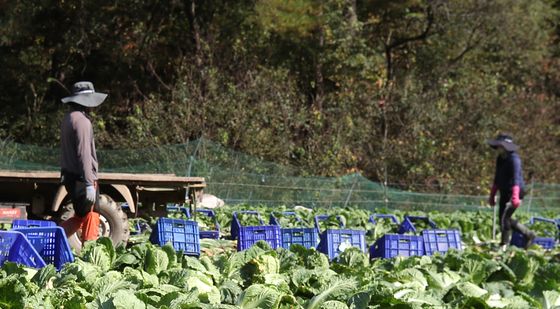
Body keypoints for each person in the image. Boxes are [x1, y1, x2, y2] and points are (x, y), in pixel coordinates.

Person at [59, 81, 107, 242]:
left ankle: (53, 240)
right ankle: (89, 256)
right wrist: (89, 184)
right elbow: (84, 154)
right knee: (92, 215)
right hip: (82, 178)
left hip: (70, 176)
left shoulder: (68, 119)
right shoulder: (82, 122)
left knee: (81, 215)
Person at [487, 133, 536, 249]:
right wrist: (492, 193)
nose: (497, 148)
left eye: (499, 146)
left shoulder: (514, 160)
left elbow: (516, 179)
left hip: (515, 191)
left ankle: (504, 244)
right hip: (504, 191)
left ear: (505, 147)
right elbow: (497, 177)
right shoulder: (500, 159)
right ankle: (528, 234)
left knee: (505, 218)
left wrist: (515, 197)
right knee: (503, 219)